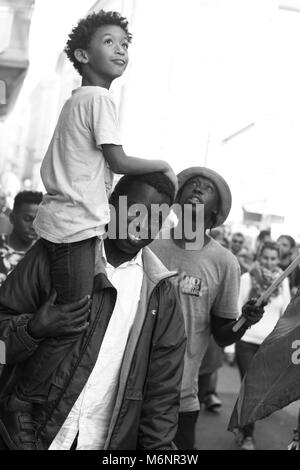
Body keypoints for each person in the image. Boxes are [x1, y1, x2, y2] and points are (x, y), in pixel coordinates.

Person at [0, 172, 186, 450]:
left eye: (155, 217)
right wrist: (32, 330)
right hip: (29, 435)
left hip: (103, 441)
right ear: (110, 204)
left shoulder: (161, 291)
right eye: (132, 210)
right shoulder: (54, 255)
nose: (141, 223)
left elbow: (162, 391)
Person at [34, 9, 177, 307]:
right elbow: (119, 162)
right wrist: (162, 165)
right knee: (73, 314)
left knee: (53, 301)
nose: (120, 49)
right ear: (83, 55)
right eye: (109, 42)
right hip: (76, 229)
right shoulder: (100, 99)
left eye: (124, 44)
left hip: (60, 221)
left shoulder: (77, 99)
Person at [151, 166, 265, 450]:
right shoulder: (148, 244)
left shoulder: (224, 262)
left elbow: (224, 334)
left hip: (178, 397)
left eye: (207, 188)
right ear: (177, 199)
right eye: (193, 184)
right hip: (128, 384)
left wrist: (245, 321)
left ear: (215, 214)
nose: (198, 189)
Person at [234, 241, 291, 450]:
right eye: (265, 257)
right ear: (259, 258)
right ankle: (248, 435)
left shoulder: (282, 281)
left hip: (269, 345)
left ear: (279, 259)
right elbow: (236, 310)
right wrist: (230, 348)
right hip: (246, 343)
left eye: (273, 258)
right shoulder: (247, 278)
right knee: (251, 388)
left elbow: (285, 311)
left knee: (257, 391)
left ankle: (241, 424)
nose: (269, 262)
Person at [0, 191, 43, 287]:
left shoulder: (42, 256)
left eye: (38, 221)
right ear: (12, 218)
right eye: (28, 219)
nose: (33, 226)